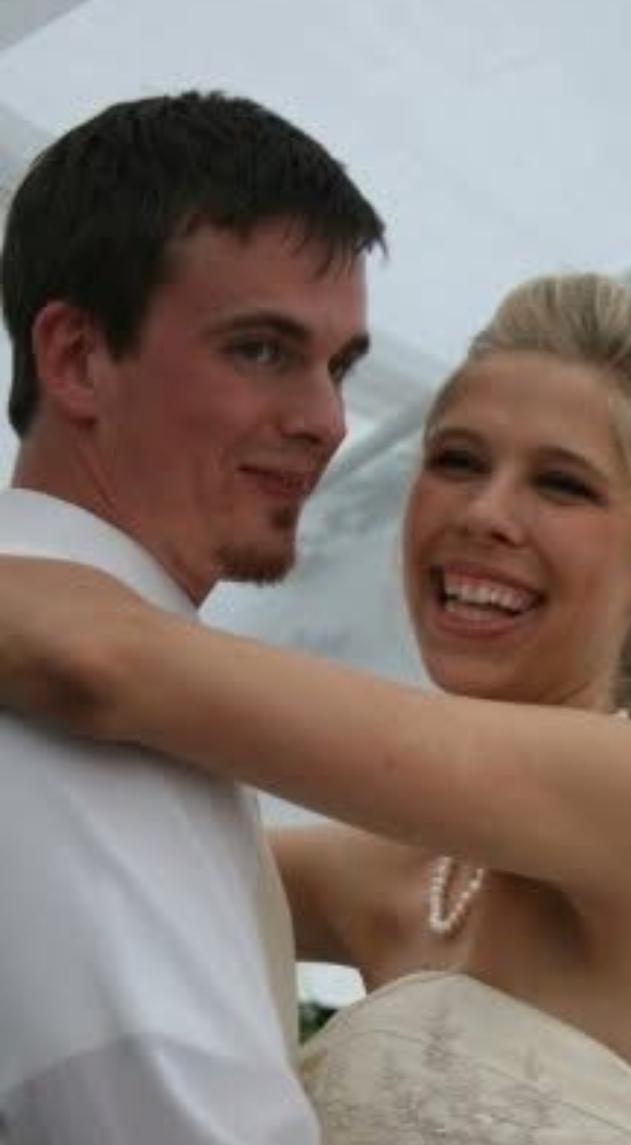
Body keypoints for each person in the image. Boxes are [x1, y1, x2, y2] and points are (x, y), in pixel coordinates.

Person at [0, 273, 631, 1144]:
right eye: (457, 461)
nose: (484, 513)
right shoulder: (390, 875)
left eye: (561, 485)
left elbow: (99, 660)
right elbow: (95, 846)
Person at [0, 91, 384, 1143]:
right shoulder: (65, 712)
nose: (326, 420)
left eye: (340, 365)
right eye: (261, 349)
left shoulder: (142, 682)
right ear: (77, 357)